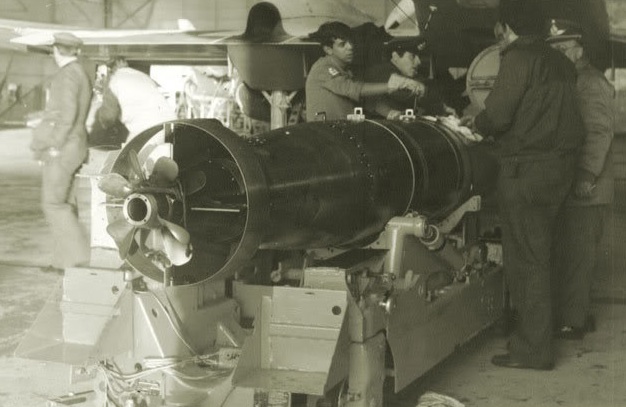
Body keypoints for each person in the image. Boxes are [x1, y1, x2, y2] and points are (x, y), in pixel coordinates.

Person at [461, 0, 584, 370]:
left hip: (527, 172)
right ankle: (541, 335)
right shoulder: (560, 61)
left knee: (527, 261)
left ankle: (532, 351)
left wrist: (473, 123)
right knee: (546, 254)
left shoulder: (518, 58)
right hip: (560, 169)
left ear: (505, 27)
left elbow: (498, 115)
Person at [546, 19, 615, 340]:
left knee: (578, 256)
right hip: (574, 186)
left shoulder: (590, 82)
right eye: (555, 48)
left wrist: (587, 174)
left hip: (588, 188)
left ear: (579, 49)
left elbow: (599, 132)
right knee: (570, 252)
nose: (559, 53)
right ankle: (575, 314)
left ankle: (573, 322)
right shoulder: (572, 79)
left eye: (563, 47)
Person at [30, 32, 92, 271]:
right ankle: (63, 262)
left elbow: (67, 115)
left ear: (56, 50)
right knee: (65, 203)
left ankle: (79, 258)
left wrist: (53, 144)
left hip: (64, 148)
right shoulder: (80, 72)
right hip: (75, 146)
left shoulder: (66, 75)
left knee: (53, 204)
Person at [305, 21, 425, 122]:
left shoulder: (347, 70)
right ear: (328, 49)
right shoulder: (322, 68)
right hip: (324, 134)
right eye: (342, 44)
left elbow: (367, 100)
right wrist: (392, 85)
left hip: (342, 132)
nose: (350, 47)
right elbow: (351, 89)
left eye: (350, 41)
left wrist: (390, 113)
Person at [363, 37, 456, 119]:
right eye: (413, 56)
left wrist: (442, 108)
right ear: (395, 56)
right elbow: (407, 93)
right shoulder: (381, 73)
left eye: (419, 57)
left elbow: (425, 91)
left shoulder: (408, 75)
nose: (419, 62)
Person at [95, 57, 176, 142]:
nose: (101, 80)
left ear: (110, 71)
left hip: (148, 127)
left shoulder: (114, 81)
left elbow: (108, 117)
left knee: (131, 149)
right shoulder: (142, 76)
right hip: (171, 125)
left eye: (102, 75)